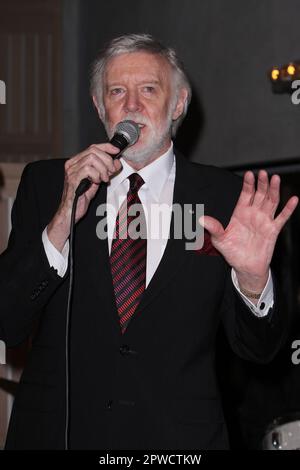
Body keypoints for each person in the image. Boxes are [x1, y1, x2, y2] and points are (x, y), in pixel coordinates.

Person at [0, 33, 298, 450]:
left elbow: (261, 352)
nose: (132, 106)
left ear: (177, 104)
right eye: (117, 91)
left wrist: (252, 280)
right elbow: (7, 320)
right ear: (99, 105)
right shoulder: (50, 184)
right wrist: (61, 222)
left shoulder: (226, 198)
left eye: (149, 90)